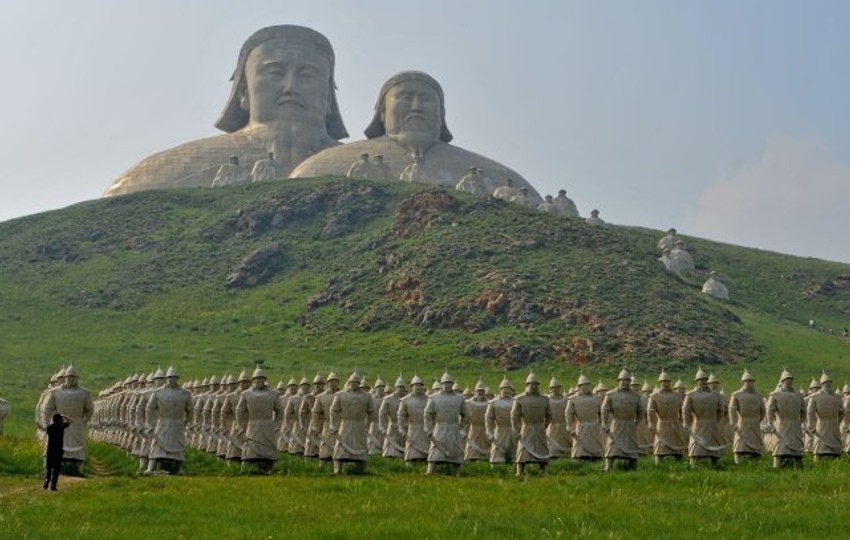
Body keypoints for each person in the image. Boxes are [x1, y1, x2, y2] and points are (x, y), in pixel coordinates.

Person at [105, 25, 348, 196]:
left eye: (307, 75)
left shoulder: (354, 160)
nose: (290, 87)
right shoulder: (152, 175)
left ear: (328, 97)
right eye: (275, 73)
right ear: (243, 91)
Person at [291, 70, 540, 201]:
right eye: (406, 98)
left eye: (426, 100)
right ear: (381, 113)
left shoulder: (502, 176)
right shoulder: (318, 166)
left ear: (441, 114)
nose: (417, 107)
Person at [42, 364, 94, 476]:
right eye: (69, 376)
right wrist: (47, 424)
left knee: (79, 446)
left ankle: (79, 470)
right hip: (59, 424)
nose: (71, 379)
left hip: (76, 424)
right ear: (65, 378)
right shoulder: (55, 392)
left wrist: (84, 421)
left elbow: (90, 409)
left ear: (77, 378)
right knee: (52, 446)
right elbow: (48, 408)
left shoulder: (84, 393)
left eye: (73, 377)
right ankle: (47, 469)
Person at [144, 366, 193, 475]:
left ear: (178, 378)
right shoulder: (158, 392)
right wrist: (149, 424)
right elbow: (149, 408)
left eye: (174, 377)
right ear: (166, 378)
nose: (171, 379)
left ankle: (180, 468)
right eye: (169, 377)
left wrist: (186, 422)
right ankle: (151, 467)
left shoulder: (185, 393)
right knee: (157, 444)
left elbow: (190, 410)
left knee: (179, 446)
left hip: (178, 423)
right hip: (163, 423)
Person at [235, 366, 284, 472]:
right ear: (253, 380)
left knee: (269, 450)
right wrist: (239, 426)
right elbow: (239, 411)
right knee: (250, 449)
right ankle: (246, 470)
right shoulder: (246, 394)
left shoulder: (273, 394)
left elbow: (280, 411)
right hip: (253, 424)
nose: (260, 381)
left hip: (268, 425)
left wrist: (277, 424)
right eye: (257, 378)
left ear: (265, 380)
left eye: (262, 378)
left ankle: (271, 469)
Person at [424, 372, 469, 476]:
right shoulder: (434, 398)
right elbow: (427, 414)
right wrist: (428, 429)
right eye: (445, 383)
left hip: (454, 427)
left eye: (449, 383)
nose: (447, 385)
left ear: (452, 384)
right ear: (442, 383)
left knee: (456, 450)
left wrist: (460, 426)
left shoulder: (460, 398)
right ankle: (430, 471)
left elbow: (466, 414)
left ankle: (456, 473)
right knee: (435, 450)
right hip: (440, 427)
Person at [329, 372, 374, 474]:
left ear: (359, 383)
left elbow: (371, 412)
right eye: (352, 382)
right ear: (349, 382)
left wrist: (367, 425)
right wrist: (332, 424)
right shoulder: (340, 395)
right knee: (340, 447)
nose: (354, 384)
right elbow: (333, 410)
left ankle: (361, 469)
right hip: (345, 424)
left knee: (361, 446)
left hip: (360, 425)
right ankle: (337, 470)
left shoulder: (367, 396)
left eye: (356, 382)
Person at [601, 369, 644, 471]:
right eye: (622, 380)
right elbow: (604, 409)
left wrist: (636, 423)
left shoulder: (636, 396)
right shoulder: (610, 394)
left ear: (630, 382)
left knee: (631, 444)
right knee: (612, 444)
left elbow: (641, 411)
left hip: (630, 424)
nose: (625, 382)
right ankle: (608, 466)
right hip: (617, 423)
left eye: (627, 380)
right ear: (618, 381)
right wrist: (604, 423)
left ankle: (633, 465)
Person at [682, 367, 725, 467]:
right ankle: (693, 463)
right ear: (696, 381)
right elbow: (685, 410)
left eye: (705, 380)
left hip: (712, 424)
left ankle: (716, 464)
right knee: (696, 445)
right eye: (701, 380)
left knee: (714, 443)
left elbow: (721, 410)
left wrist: (715, 421)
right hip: (698, 424)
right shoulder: (690, 395)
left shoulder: (716, 395)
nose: (703, 382)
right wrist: (686, 423)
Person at [511, 373, 552, 475]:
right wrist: (515, 429)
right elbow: (514, 416)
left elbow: (549, 415)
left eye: (536, 384)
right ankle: (520, 470)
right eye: (531, 384)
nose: (533, 386)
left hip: (539, 427)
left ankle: (544, 470)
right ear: (527, 385)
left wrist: (544, 426)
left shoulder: (544, 399)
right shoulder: (519, 399)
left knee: (542, 448)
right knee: (523, 449)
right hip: (526, 427)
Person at [766, 368, 806, 468]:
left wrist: (800, 421)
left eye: (790, 380)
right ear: (782, 381)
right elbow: (770, 410)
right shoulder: (775, 395)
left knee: (796, 446)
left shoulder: (798, 395)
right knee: (780, 447)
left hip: (795, 424)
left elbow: (804, 410)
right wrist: (771, 423)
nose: (789, 382)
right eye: (786, 380)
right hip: (781, 424)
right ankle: (777, 466)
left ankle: (798, 466)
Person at [647, 369, 687, 464]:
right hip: (662, 422)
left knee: (677, 442)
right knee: (660, 443)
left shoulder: (677, 395)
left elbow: (683, 409)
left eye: (667, 381)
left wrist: (682, 420)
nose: (665, 383)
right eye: (663, 381)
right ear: (660, 382)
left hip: (675, 423)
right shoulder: (654, 396)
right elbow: (650, 411)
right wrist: (651, 423)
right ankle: (658, 463)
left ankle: (679, 461)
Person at [728, 370, 765, 464]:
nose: (749, 383)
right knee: (740, 443)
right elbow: (732, 409)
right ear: (743, 382)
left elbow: (763, 411)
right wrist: (733, 422)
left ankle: (756, 462)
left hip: (754, 422)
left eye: (751, 381)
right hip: (742, 422)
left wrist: (758, 420)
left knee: (755, 442)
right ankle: (738, 462)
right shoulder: (736, 395)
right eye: (747, 381)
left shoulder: (758, 396)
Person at [806, 372, 844, 461]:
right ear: (822, 384)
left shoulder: (837, 397)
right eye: (825, 382)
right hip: (821, 424)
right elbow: (810, 412)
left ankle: (836, 463)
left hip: (834, 424)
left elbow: (842, 411)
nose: (828, 384)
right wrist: (811, 425)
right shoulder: (815, 397)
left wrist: (837, 422)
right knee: (819, 446)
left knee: (835, 446)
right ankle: (817, 463)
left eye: (829, 382)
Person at [566, 375, 604, 461]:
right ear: (579, 386)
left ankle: (596, 457)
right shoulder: (573, 399)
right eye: (584, 385)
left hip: (594, 425)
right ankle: (579, 457)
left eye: (587, 385)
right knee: (580, 446)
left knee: (594, 444)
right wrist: (569, 426)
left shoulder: (596, 398)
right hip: (581, 425)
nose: (586, 387)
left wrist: (601, 423)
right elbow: (568, 414)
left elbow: (602, 412)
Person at [397, 375, 429, 465]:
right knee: (411, 448)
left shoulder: (428, 399)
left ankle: (425, 462)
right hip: (412, 427)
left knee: (426, 447)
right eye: (415, 385)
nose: (418, 387)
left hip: (425, 428)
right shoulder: (405, 400)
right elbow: (401, 415)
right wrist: (401, 428)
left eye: (419, 385)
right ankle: (409, 463)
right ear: (411, 387)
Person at [309, 371, 340, 465]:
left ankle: (339, 465)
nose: (333, 383)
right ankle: (322, 466)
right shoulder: (320, 397)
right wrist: (315, 425)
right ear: (328, 382)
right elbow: (315, 412)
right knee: (325, 445)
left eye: (335, 381)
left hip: (340, 424)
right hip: (326, 423)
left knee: (340, 446)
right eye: (331, 381)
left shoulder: (342, 395)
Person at [485, 377, 517, 466]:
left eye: (508, 391)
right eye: (504, 391)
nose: (506, 393)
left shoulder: (516, 402)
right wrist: (489, 433)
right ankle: (496, 468)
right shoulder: (493, 403)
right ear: (500, 390)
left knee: (514, 453)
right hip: (499, 430)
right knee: (497, 452)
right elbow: (488, 419)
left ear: (511, 391)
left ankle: (514, 467)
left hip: (513, 430)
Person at [379, 376, 407, 459]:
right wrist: (381, 426)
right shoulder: (387, 399)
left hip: (405, 427)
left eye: (403, 387)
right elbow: (382, 414)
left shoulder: (408, 398)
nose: (401, 389)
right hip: (392, 425)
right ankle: (390, 459)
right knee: (390, 448)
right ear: (396, 387)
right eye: (399, 387)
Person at [44, 414, 71, 490]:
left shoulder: (49, 427)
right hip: (58, 450)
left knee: (49, 467)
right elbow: (70, 421)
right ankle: (53, 485)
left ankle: (47, 480)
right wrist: (65, 416)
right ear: (60, 420)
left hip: (50, 450)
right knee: (56, 468)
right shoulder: (61, 427)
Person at [464, 380, 490, 461]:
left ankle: (485, 459)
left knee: (486, 445)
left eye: (482, 390)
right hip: (474, 428)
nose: (480, 392)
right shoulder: (468, 403)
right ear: (475, 391)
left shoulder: (489, 403)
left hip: (485, 428)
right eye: (479, 390)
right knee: (472, 446)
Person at [546, 377, 571, 460]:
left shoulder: (565, 399)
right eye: (553, 387)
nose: (556, 389)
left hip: (563, 426)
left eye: (557, 387)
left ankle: (565, 455)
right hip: (552, 426)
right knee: (552, 443)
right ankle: (553, 455)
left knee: (565, 442)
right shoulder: (547, 399)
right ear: (550, 388)